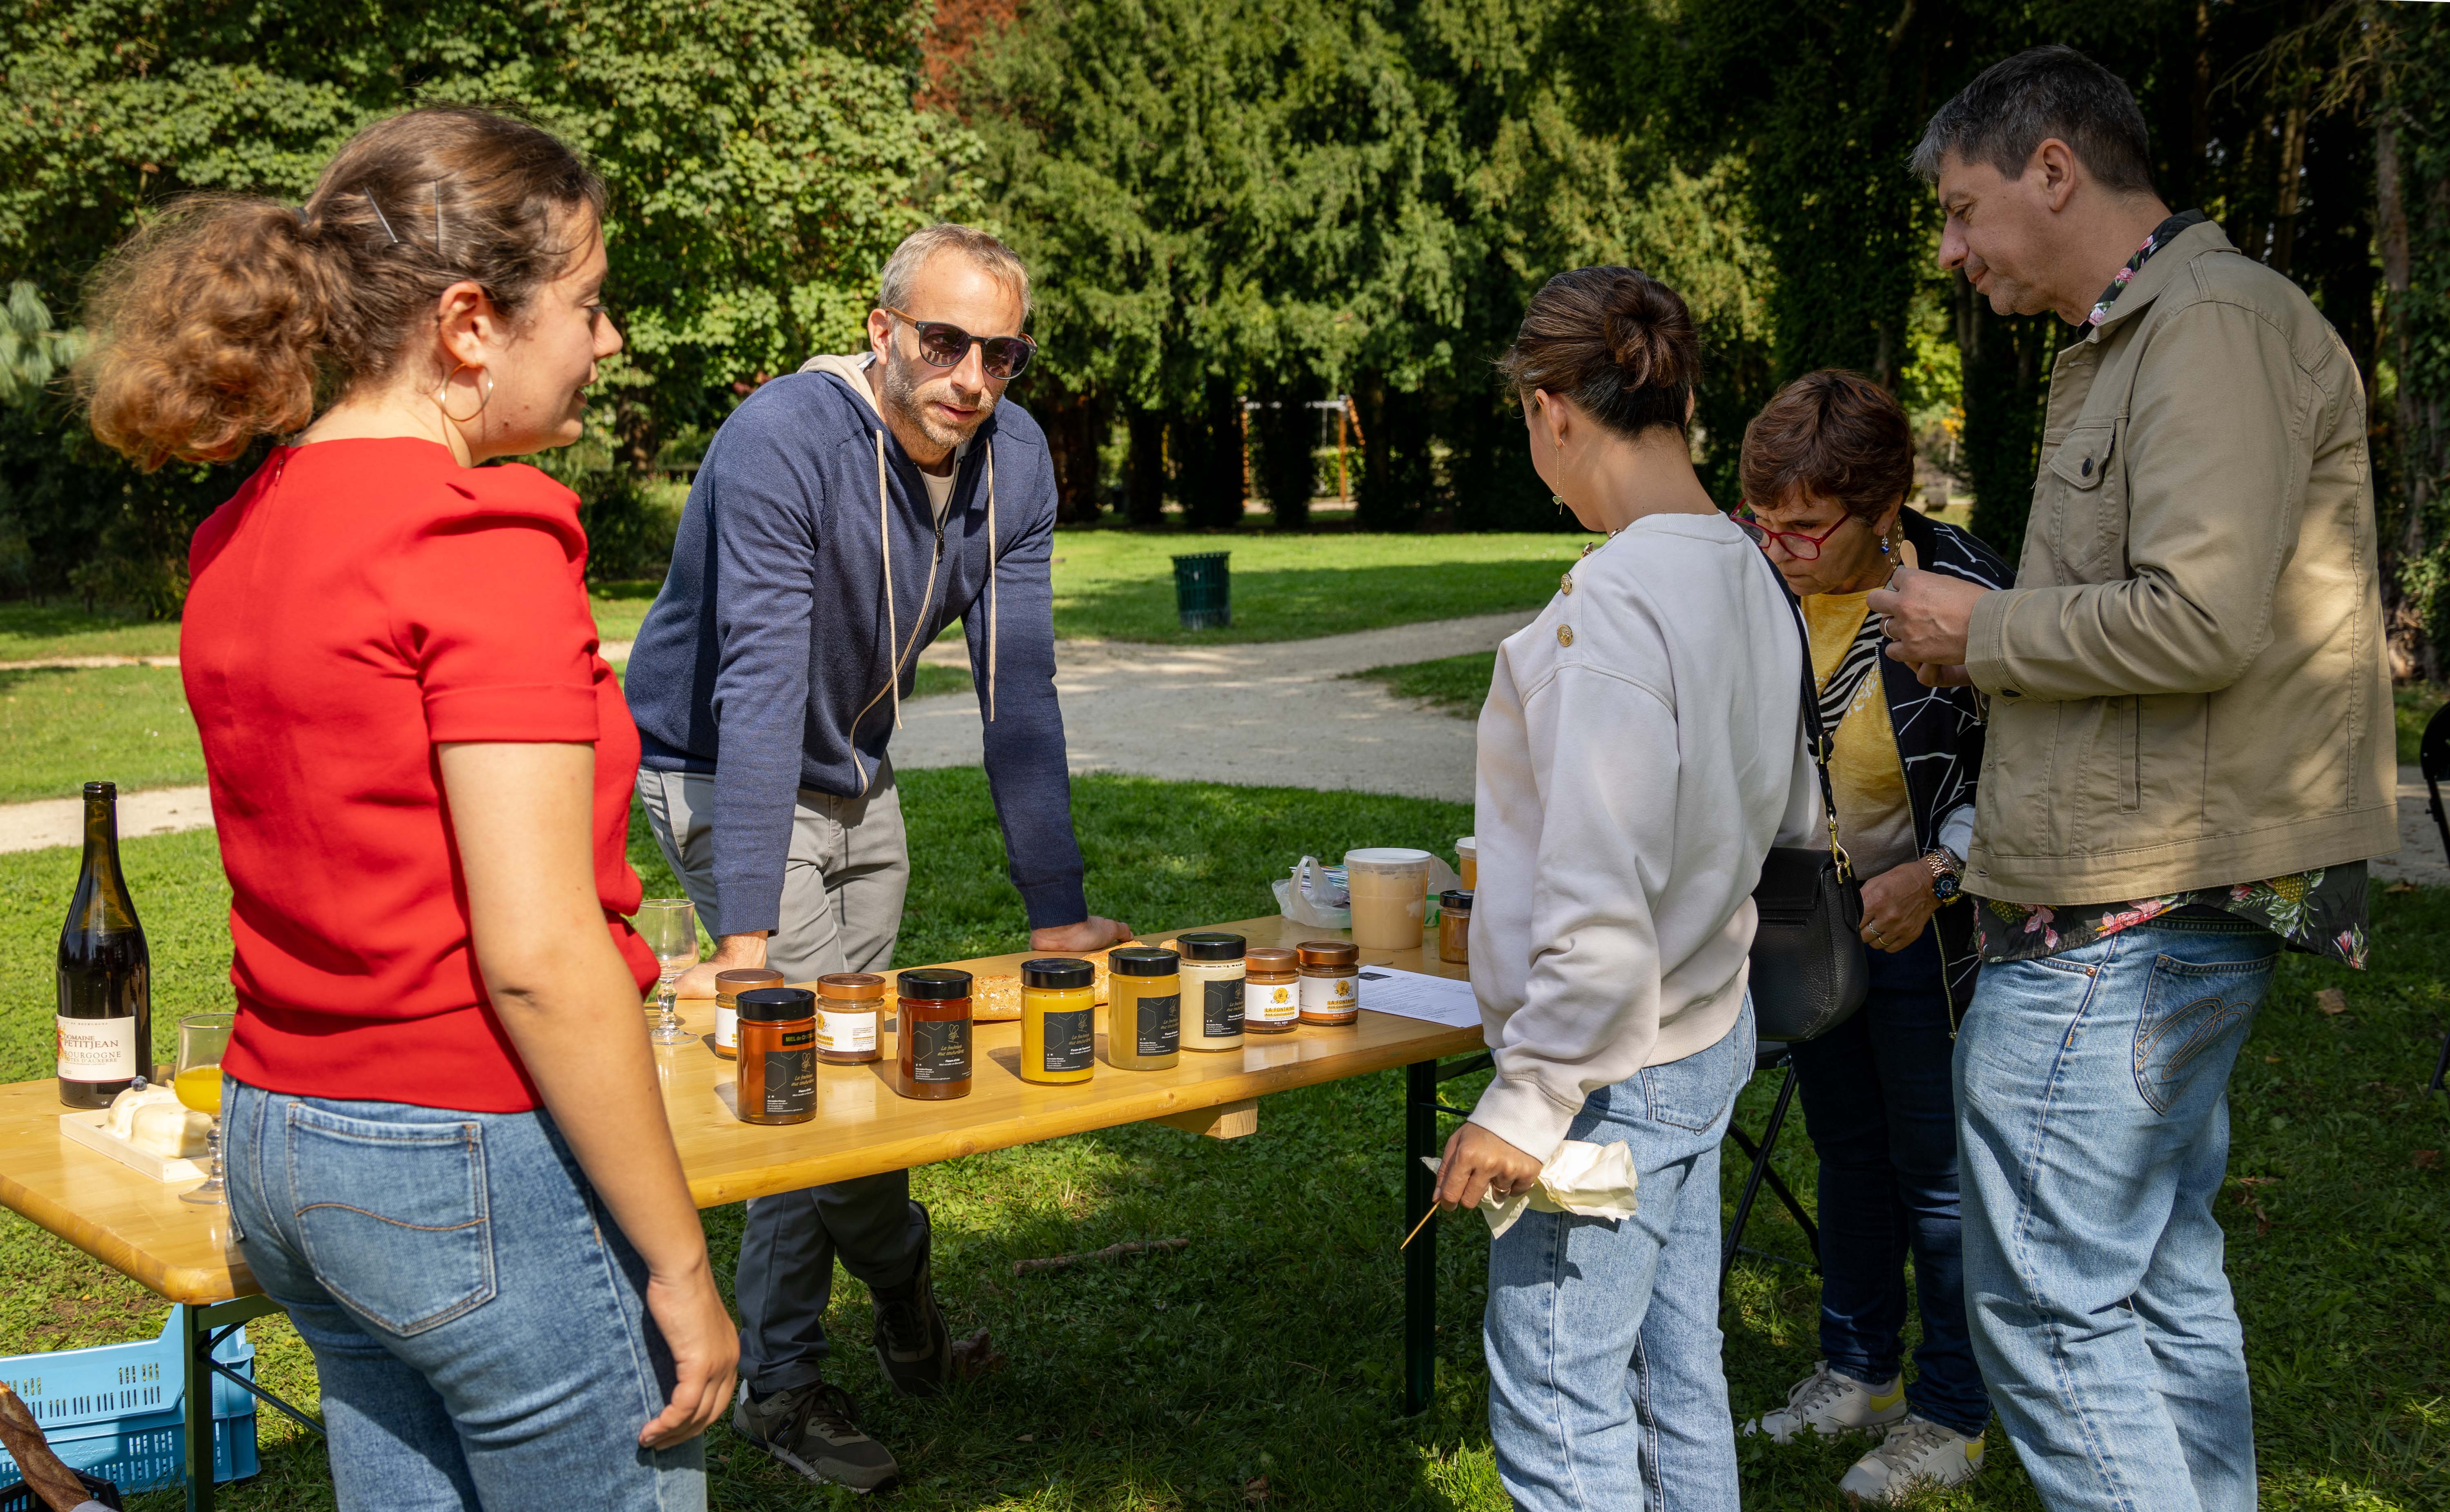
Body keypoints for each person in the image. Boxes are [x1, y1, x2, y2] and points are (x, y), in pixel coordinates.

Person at [80, 109, 737, 1510]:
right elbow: (538, 954)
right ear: (468, 324)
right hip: (469, 1154)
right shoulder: (477, 539)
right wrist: (682, 1264)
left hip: (284, 1135)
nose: (607, 343)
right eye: (589, 304)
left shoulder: (245, 528)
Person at [1875, 46, 2397, 1512]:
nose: (1953, 248)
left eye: (1967, 209)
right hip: (2142, 890)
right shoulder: (2144, 333)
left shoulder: (2209, 326)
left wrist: (1980, 632)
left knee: (2047, 1305)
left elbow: (2201, 614)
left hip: (2132, 907)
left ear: (2056, 166)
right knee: (2154, 1278)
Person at [622, 223, 1130, 1492]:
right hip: (721, 774)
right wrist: (742, 939)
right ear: (883, 328)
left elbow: (1020, 691)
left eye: (1001, 355)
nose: (972, 376)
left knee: (863, 1076)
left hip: (859, 781)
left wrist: (1056, 911)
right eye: (947, 342)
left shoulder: (1012, 457)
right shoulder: (784, 441)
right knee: (803, 1086)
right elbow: (754, 688)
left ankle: (898, 1296)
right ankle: (787, 1383)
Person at [1431, 266, 1820, 1512]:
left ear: (1553, 409)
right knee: (1675, 1375)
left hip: (1614, 1074)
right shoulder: (1753, 572)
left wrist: (1525, 1100)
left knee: (1561, 1404)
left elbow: (1599, 905)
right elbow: (1794, 814)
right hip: (1708, 1026)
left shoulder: (1613, 605)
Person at [1730, 370, 2012, 1502]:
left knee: (1936, 1172)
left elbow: (2040, 773)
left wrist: (1940, 874)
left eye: (1806, 528)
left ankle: (1952, 1412)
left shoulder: (1970, 592)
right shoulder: (1752, 585)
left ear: (1884, 507)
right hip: (1809, 921)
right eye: (1764, 524)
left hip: (1929, 924)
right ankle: (1858, 1371)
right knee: (1845, 1148)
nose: (1782, 549)